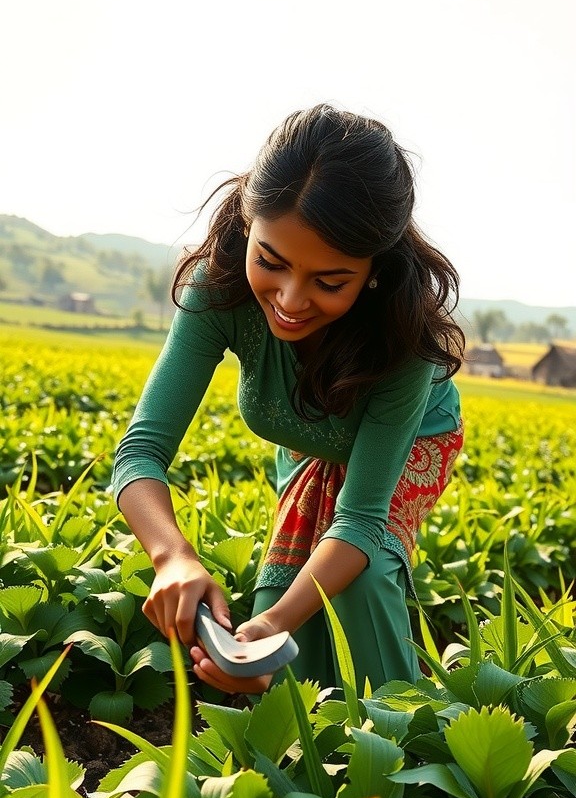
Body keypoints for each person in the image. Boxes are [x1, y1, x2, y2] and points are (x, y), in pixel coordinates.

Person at [112, 103, 465, 696]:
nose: (291, 300)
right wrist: (172, 556)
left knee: (363, 574)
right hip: (308, 432)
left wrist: (273, 628)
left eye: (331, 282)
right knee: (284, 585)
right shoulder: (219, 290)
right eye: (269, 263)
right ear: (247, 225)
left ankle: (397, 742)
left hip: (408, 439)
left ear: (373, 271)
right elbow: (140, 453)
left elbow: (358, 523)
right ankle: (305, 750)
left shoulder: (405, 341)